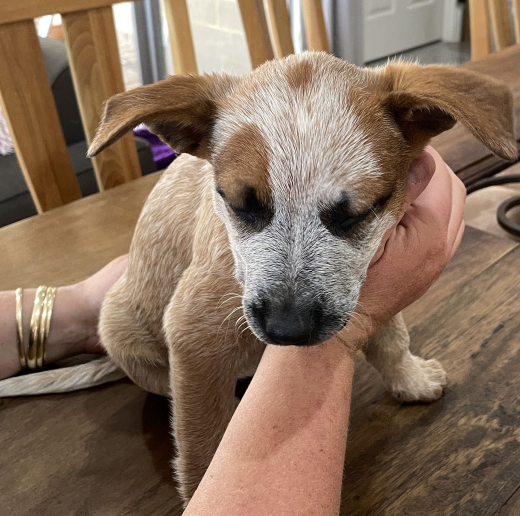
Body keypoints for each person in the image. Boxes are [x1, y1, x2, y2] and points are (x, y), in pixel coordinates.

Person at [0, 147, 465, 515]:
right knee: (133, 335)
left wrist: (398, 361)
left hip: (233, 350)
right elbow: (189, 335)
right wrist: (206, 484)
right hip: (163, 346)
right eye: (245, 208)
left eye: (351, 212)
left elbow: (370, 278)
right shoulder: (229, 159)